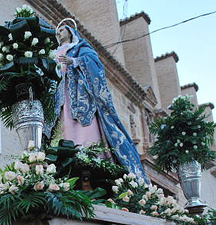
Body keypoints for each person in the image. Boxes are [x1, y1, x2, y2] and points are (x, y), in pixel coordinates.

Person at [53, 20, 147, 181]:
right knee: (63, 127)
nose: (58, 33)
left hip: (80, 96)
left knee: (84, 127)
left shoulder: (80, 48)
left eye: (62, 29)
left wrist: (75, 61)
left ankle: (90, 154)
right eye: (57, 31)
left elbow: (95, 64)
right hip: (61, 97)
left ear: (70, 31)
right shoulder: (54, 52)